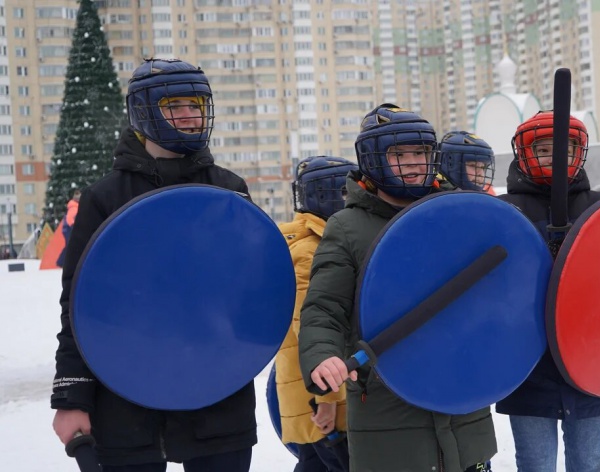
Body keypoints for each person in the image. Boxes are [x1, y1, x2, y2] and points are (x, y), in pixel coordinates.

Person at [51, 58, 256, 471]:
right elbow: (81, 308)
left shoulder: (230, 192)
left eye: (196, 105)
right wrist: (71, 397)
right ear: (144, 112)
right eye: (174, 105)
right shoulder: (104, 199)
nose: (189, 115)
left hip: (215, 393)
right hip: (126, 400)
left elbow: (252, 294)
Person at [297, 104, 496, 472]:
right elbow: (324, 308)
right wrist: (322, 354)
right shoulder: (347, 227)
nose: (413, 163)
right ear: (373, 160)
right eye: (399, 154)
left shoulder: (458, 214)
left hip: (463, 406)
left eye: (419, 153)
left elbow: (496, 294)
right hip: (387, 414)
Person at [494, 110, 600, 472]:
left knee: (590, 461)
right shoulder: (503, 212)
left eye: (565, 149)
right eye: (545, 149)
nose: (555, 157)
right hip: (528, 368)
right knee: (535, 464)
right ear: (525, 154)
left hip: (592, 361)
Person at [275, 156, 356, 472]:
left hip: (314, 392)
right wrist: (327, 400)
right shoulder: (312, 251)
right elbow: (309, 325)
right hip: (321, 396)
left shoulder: (316, 241)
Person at [55, 189, 81, 267]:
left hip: (67, 228)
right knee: (70, 246)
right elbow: (70, 219)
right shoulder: (74, 207)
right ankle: (61, 262)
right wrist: (74, 226)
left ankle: (62, 262)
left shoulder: (74, 206)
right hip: (69, 229)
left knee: (70, 246)